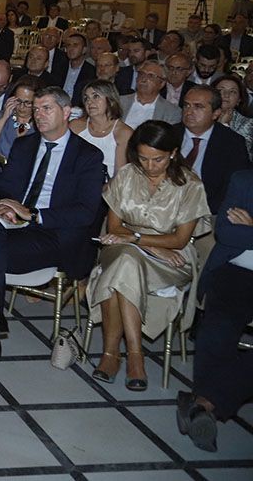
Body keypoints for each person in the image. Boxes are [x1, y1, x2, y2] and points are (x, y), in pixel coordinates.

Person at [0, 87, 106, 366]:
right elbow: (2, 186)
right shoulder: (25, 145)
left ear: (66, 112)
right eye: (36, 109)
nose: (38, 114)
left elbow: (86, 212)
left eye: (47, 108)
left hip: (56, 234)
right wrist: (4, 205)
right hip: (17, 226)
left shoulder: (87, 156)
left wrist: (34, 215)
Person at [87, 120, 210, 390]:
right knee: (126, 262)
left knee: (122, 268)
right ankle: (135, 356)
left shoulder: (190, 185)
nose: (150, 166)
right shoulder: (128, 175)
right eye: (143, 158)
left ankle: (111, 355)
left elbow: (179, 240)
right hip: (123, 246)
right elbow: (115, 227)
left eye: (158, 159)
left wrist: (137, 239)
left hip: (171, 259)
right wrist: (143, 244)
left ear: (173, 153)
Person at [177, 171, 253, 452]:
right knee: (216, 329)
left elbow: (242, 232)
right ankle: (203, 407)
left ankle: (204, 405)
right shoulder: (244, 180)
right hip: (238, 271)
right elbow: (227, 232)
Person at [178, 86, 252, 217]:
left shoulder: (232, 143)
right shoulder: (169, 135)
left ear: (216, 113)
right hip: (163, 209)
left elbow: (233, 189)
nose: (189, 112)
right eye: (186, 105)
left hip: (207, 213)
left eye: (198, 107)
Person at [69, 79, 132, 179]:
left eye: (96, 96)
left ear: (110, 99)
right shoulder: (75, 127)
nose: (89, 102)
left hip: (107, 189)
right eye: (86, 98)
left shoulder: (123, 133)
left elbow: (119, 177)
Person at [0, 76, 39, 160]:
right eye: (18, 101)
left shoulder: (40, 124)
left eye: (28, 103)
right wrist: (4, 118)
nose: (22, 106)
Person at [121, 61, 181, 128]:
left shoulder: (172, 112)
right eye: (141, 74)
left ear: (162, 83)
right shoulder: (119, 102)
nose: (143, 79)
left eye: (151, 76)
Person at [213, 74, 253, 160]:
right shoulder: (202, 116)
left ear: (239, 100)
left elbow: (241, 155)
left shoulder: (248, 124)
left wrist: (223, 125)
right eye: (220, 90)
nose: (226, 95)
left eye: (232, 91)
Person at [54, 32, 96, 106]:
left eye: (75, 45)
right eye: (68, 45)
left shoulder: (91, 71)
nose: (71, 48)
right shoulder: (59, 68)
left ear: (84, 50)